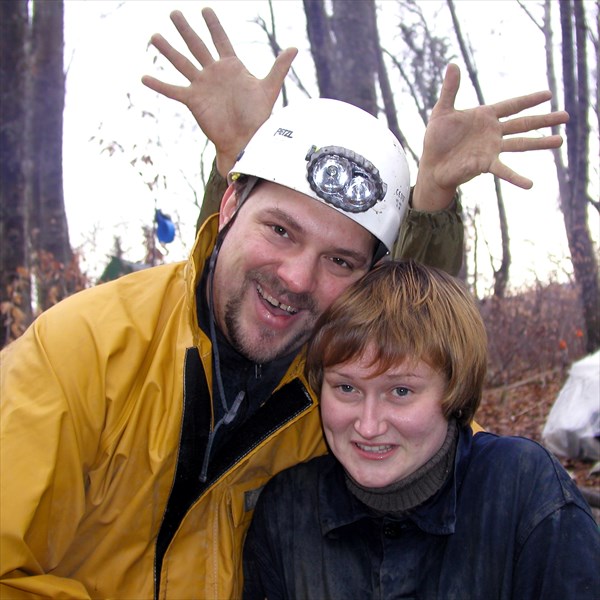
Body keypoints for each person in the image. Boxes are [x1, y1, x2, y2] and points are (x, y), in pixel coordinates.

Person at [0, 7, 569, 600]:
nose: (297, 278)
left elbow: (447, 447)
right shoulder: (82, 353)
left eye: (340, 261)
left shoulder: (343, 392)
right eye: (280, 230)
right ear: (227, 210)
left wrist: (430, 207)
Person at [243, 260, 600, 600]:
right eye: (346, 388)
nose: (368, 426)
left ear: (454, 390)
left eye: (400, 391)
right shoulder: (289, 510)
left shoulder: (521, 488)